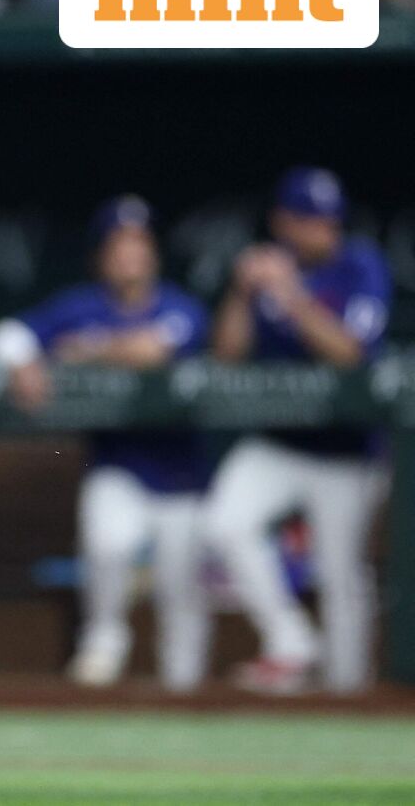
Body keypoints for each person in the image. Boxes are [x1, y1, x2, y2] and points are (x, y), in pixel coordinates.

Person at [0, 196, 213, 691]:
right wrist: (24, 360)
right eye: (118, 245)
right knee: (107, 544)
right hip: (120, 464)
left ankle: (189, 695)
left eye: (138, 243)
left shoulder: (180, 305)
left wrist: (86, 350)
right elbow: (8, 334)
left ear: (152, 253)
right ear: (102, 256)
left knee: (181, 597)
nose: (129, 255)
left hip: (184, 475)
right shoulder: (82, 306)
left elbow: (154, 350)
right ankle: (104, 643)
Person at [206, 167, 392, 696]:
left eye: (328, 220)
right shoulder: (265, 268)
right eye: (308, 219)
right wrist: (243, 293)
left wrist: (289, 294)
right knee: (224, 524)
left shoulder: (360, 265)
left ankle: (350, 694)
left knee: (341, 578)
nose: (321, 230)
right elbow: (226, 356)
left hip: (348, 449)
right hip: (280, 440)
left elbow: (350, 354)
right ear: (282, 221)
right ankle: (291, 641)